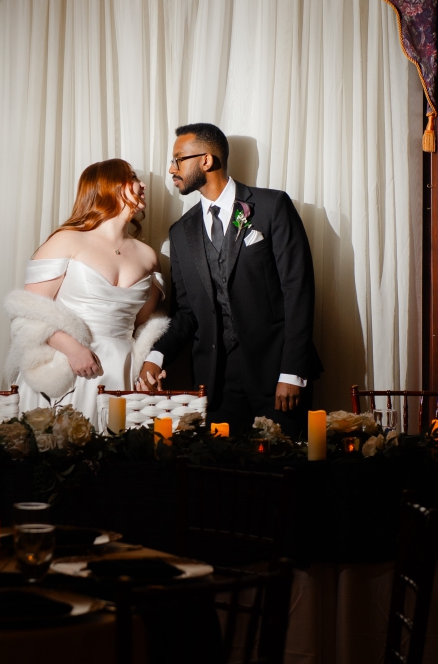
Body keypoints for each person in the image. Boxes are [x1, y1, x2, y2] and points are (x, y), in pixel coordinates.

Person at [137, 122, 322, 436]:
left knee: (284, 474)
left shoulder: (272, 207)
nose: (171, 169)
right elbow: (185, 314)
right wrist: (156, 355)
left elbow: (298, 290)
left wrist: (292, 372)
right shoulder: (181, 232)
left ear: (206, 161)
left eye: (178, 159)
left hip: (276, 376)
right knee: (223, 480)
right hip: (216, 386)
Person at [4, 160, 166, 425]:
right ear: (108, 186)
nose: (143, 184)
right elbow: (25, 313)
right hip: (67, 369)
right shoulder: (66, 240)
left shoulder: (148, 256)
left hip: (122, 371)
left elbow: (146, 327)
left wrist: (149, 367)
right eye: (133, 178)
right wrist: (73, 349)